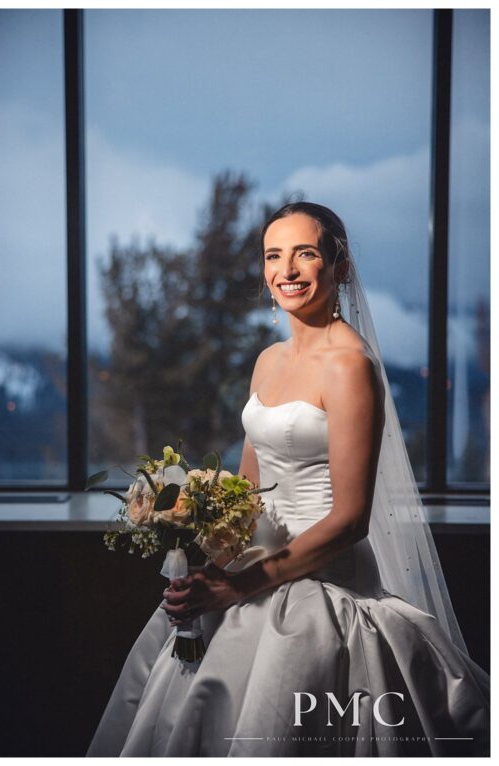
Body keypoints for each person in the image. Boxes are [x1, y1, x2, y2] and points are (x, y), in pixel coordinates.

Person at [87, 202, 489, 757]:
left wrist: (241, 586)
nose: (287, 270)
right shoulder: (268, 361)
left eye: (305, 253)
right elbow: (247, 499)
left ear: (338, 267)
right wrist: (196, 541)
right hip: (253, 570)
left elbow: (349, 519)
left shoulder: (350, 365)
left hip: (323, 588)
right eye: (274, 256)